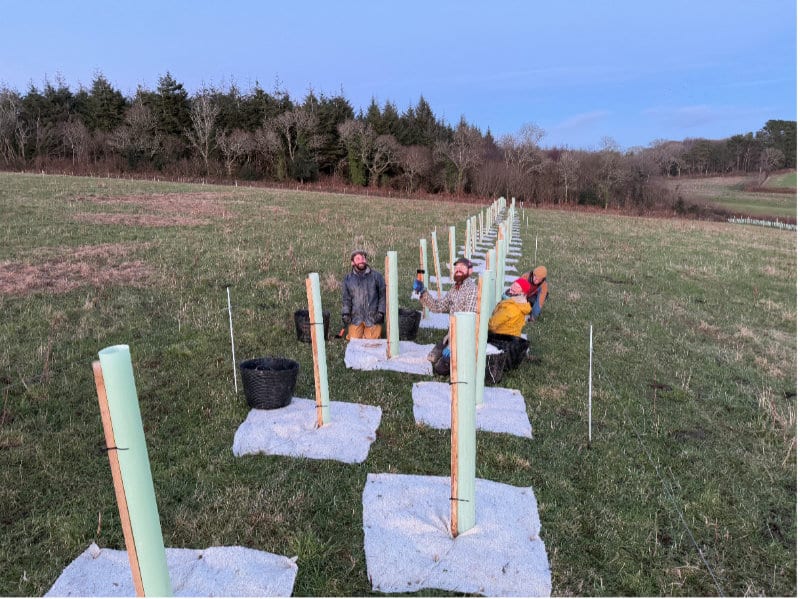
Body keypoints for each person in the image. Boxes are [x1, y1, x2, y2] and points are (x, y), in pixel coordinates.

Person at [413, 257, 478, 375]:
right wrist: (423, 291)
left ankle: (461, 358)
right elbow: (438, 307)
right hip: (452, 334)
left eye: (462, 267)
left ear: (470, 270)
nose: (458, 270)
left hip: (466, 338)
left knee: (440, 369)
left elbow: (469, 324)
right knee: (432, 358)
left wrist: (454, 345)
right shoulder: (455, 288)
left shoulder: (472, 290)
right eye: (456, 267)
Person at [487, 277, 532, 370]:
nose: (514, 287)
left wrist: (480, 324)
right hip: (511, 338)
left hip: (501, 338)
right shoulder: (520, 303)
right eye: (514, 284)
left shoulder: (511, 306)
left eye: (518, 287)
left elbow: (492, 324)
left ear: (523, 292)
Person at [341, 250, 386, 340]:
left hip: (373, 317)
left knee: (372, 339)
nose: (361, 260)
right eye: (358, 259)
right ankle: (358, 332)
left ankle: (371, 332)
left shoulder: (377, 276)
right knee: (354, 338)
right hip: (356, 317)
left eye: (363, 258)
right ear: (352, 262)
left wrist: (381, 313)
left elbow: (383, 295)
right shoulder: (348, 279)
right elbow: (346, 299)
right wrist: (345, 313)